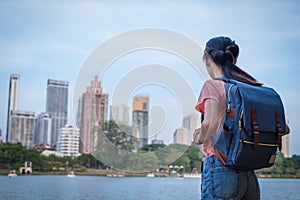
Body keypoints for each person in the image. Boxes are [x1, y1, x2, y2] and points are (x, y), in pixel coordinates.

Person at [194, 36, 261, 200]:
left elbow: (210, 123)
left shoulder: (212, 85)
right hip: (248, 172)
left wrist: (199, 137)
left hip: (220, 167)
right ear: (234, 60)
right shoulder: (250, 88)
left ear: (207, 60)